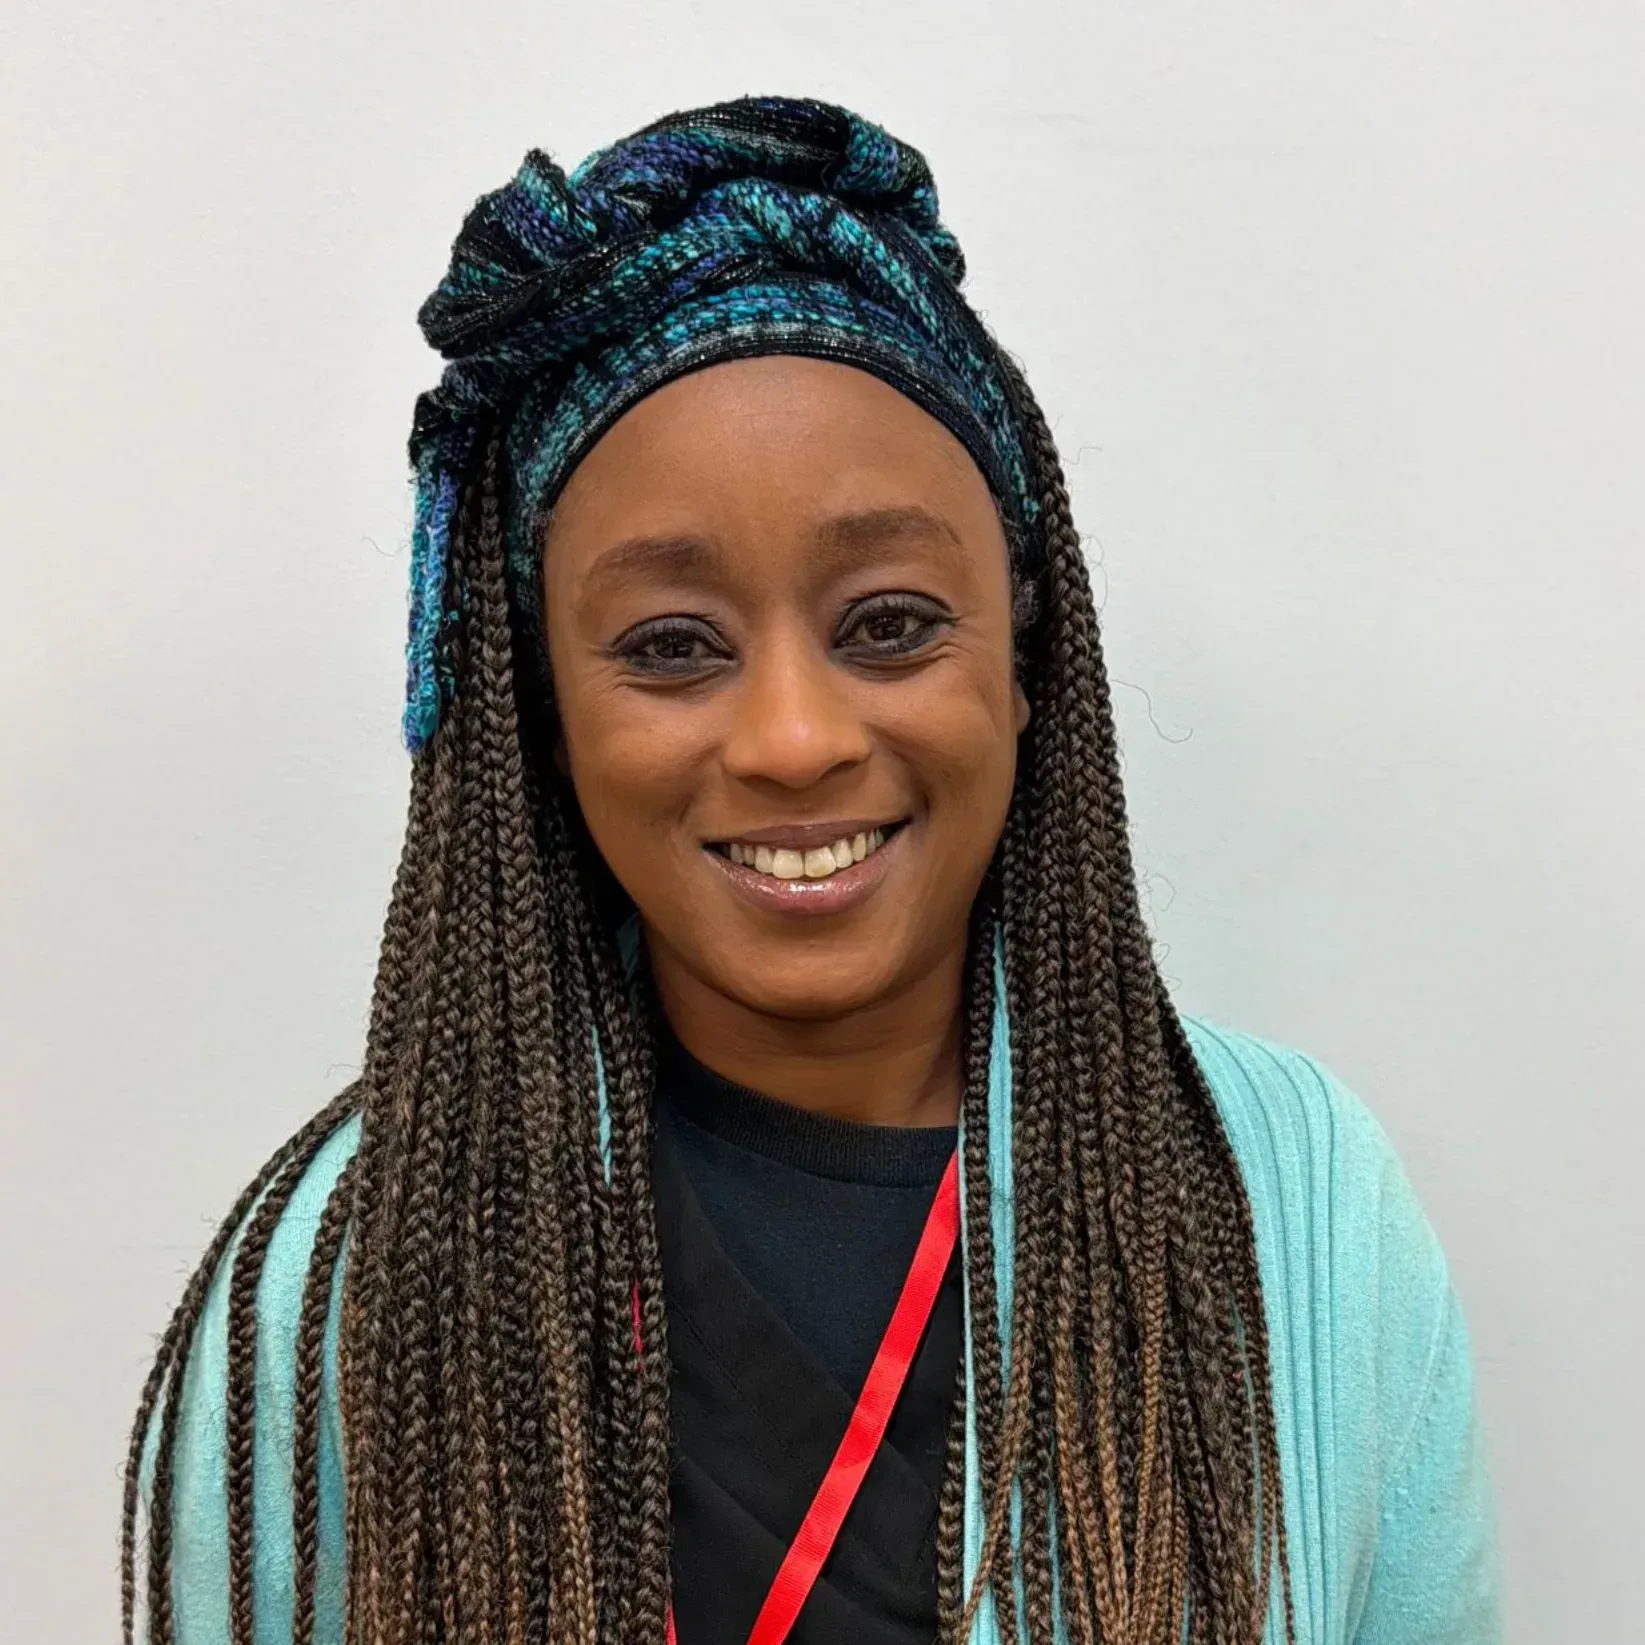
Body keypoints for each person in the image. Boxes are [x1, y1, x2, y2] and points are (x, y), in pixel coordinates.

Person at [123, 95, 1501, 1645]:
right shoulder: (356, 1277)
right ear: (546, 715)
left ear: (1029, 647)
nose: (792, 738)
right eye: (672, 647)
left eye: (890, 622)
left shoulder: (1293, 1215)